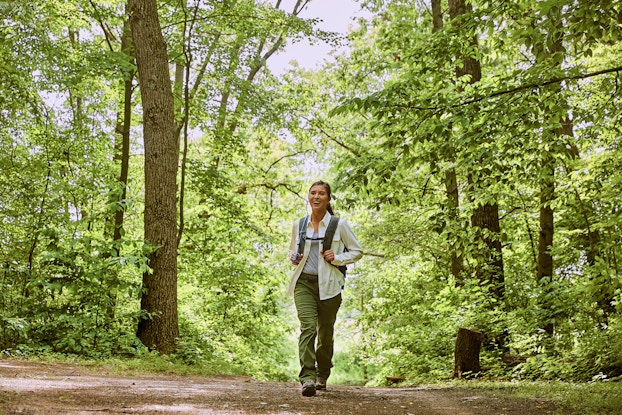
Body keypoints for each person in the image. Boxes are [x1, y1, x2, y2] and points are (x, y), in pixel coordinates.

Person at [287, 180, 363, 397]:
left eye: (321, 193)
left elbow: (357, 251)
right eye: (313, 193)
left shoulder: (339, 225)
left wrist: (337, 257)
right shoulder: (299, 224)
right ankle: (308, 378)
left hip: (330, 285)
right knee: (308, 327)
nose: (316, 196)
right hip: (304, 283)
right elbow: (292, 252)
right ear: (309, 197)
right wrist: (294, 257)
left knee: (325, 332)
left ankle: (323, 373)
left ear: (328, 199)